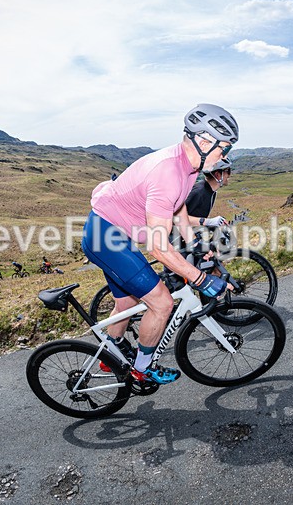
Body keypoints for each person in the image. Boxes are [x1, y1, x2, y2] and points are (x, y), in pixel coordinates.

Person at [81, 103, 238, 385]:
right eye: (224, 149)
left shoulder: (187, 166)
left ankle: (109, 358)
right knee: (162, 303)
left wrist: (195, 244)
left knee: (127, 302)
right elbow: (158, 247)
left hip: (111, 232)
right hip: (106, 237)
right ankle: (142, 370)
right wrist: (201, 279)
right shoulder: (168, 173)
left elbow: (178, 208)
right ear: (204, 142)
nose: (224, 157)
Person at [185, 158, 232, 227]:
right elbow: (175, 218)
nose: (230, 175)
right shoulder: (198, 192)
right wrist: (207, 222)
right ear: (217, 174)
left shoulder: (211, 192)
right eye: (228, 171)